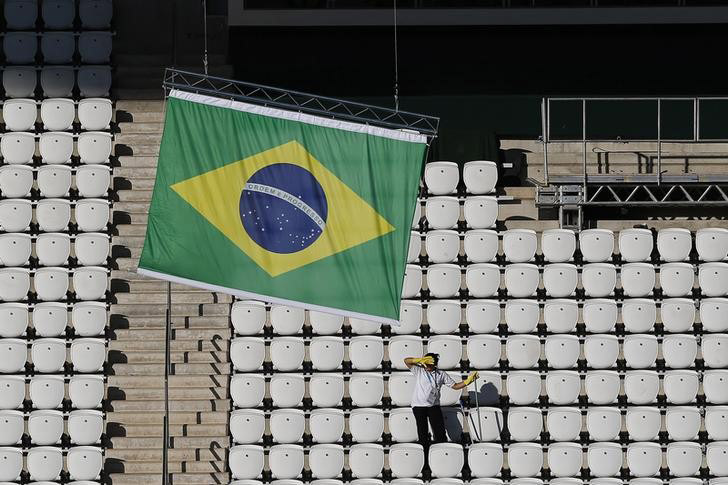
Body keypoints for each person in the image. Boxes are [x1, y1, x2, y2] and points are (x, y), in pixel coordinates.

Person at [404, 353, 478, 461]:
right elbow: (406, 361)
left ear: (435, 364)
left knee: (440, 433)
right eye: (427, 363)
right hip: (419, 406)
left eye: (431, 364)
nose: (428, 366)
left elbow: (455, 386)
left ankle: (441, 456)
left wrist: (468, 381)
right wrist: (420, 360)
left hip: (434, 405)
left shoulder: (441, 374)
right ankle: (425, 459)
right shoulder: (419, 370)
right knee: (422, 433)